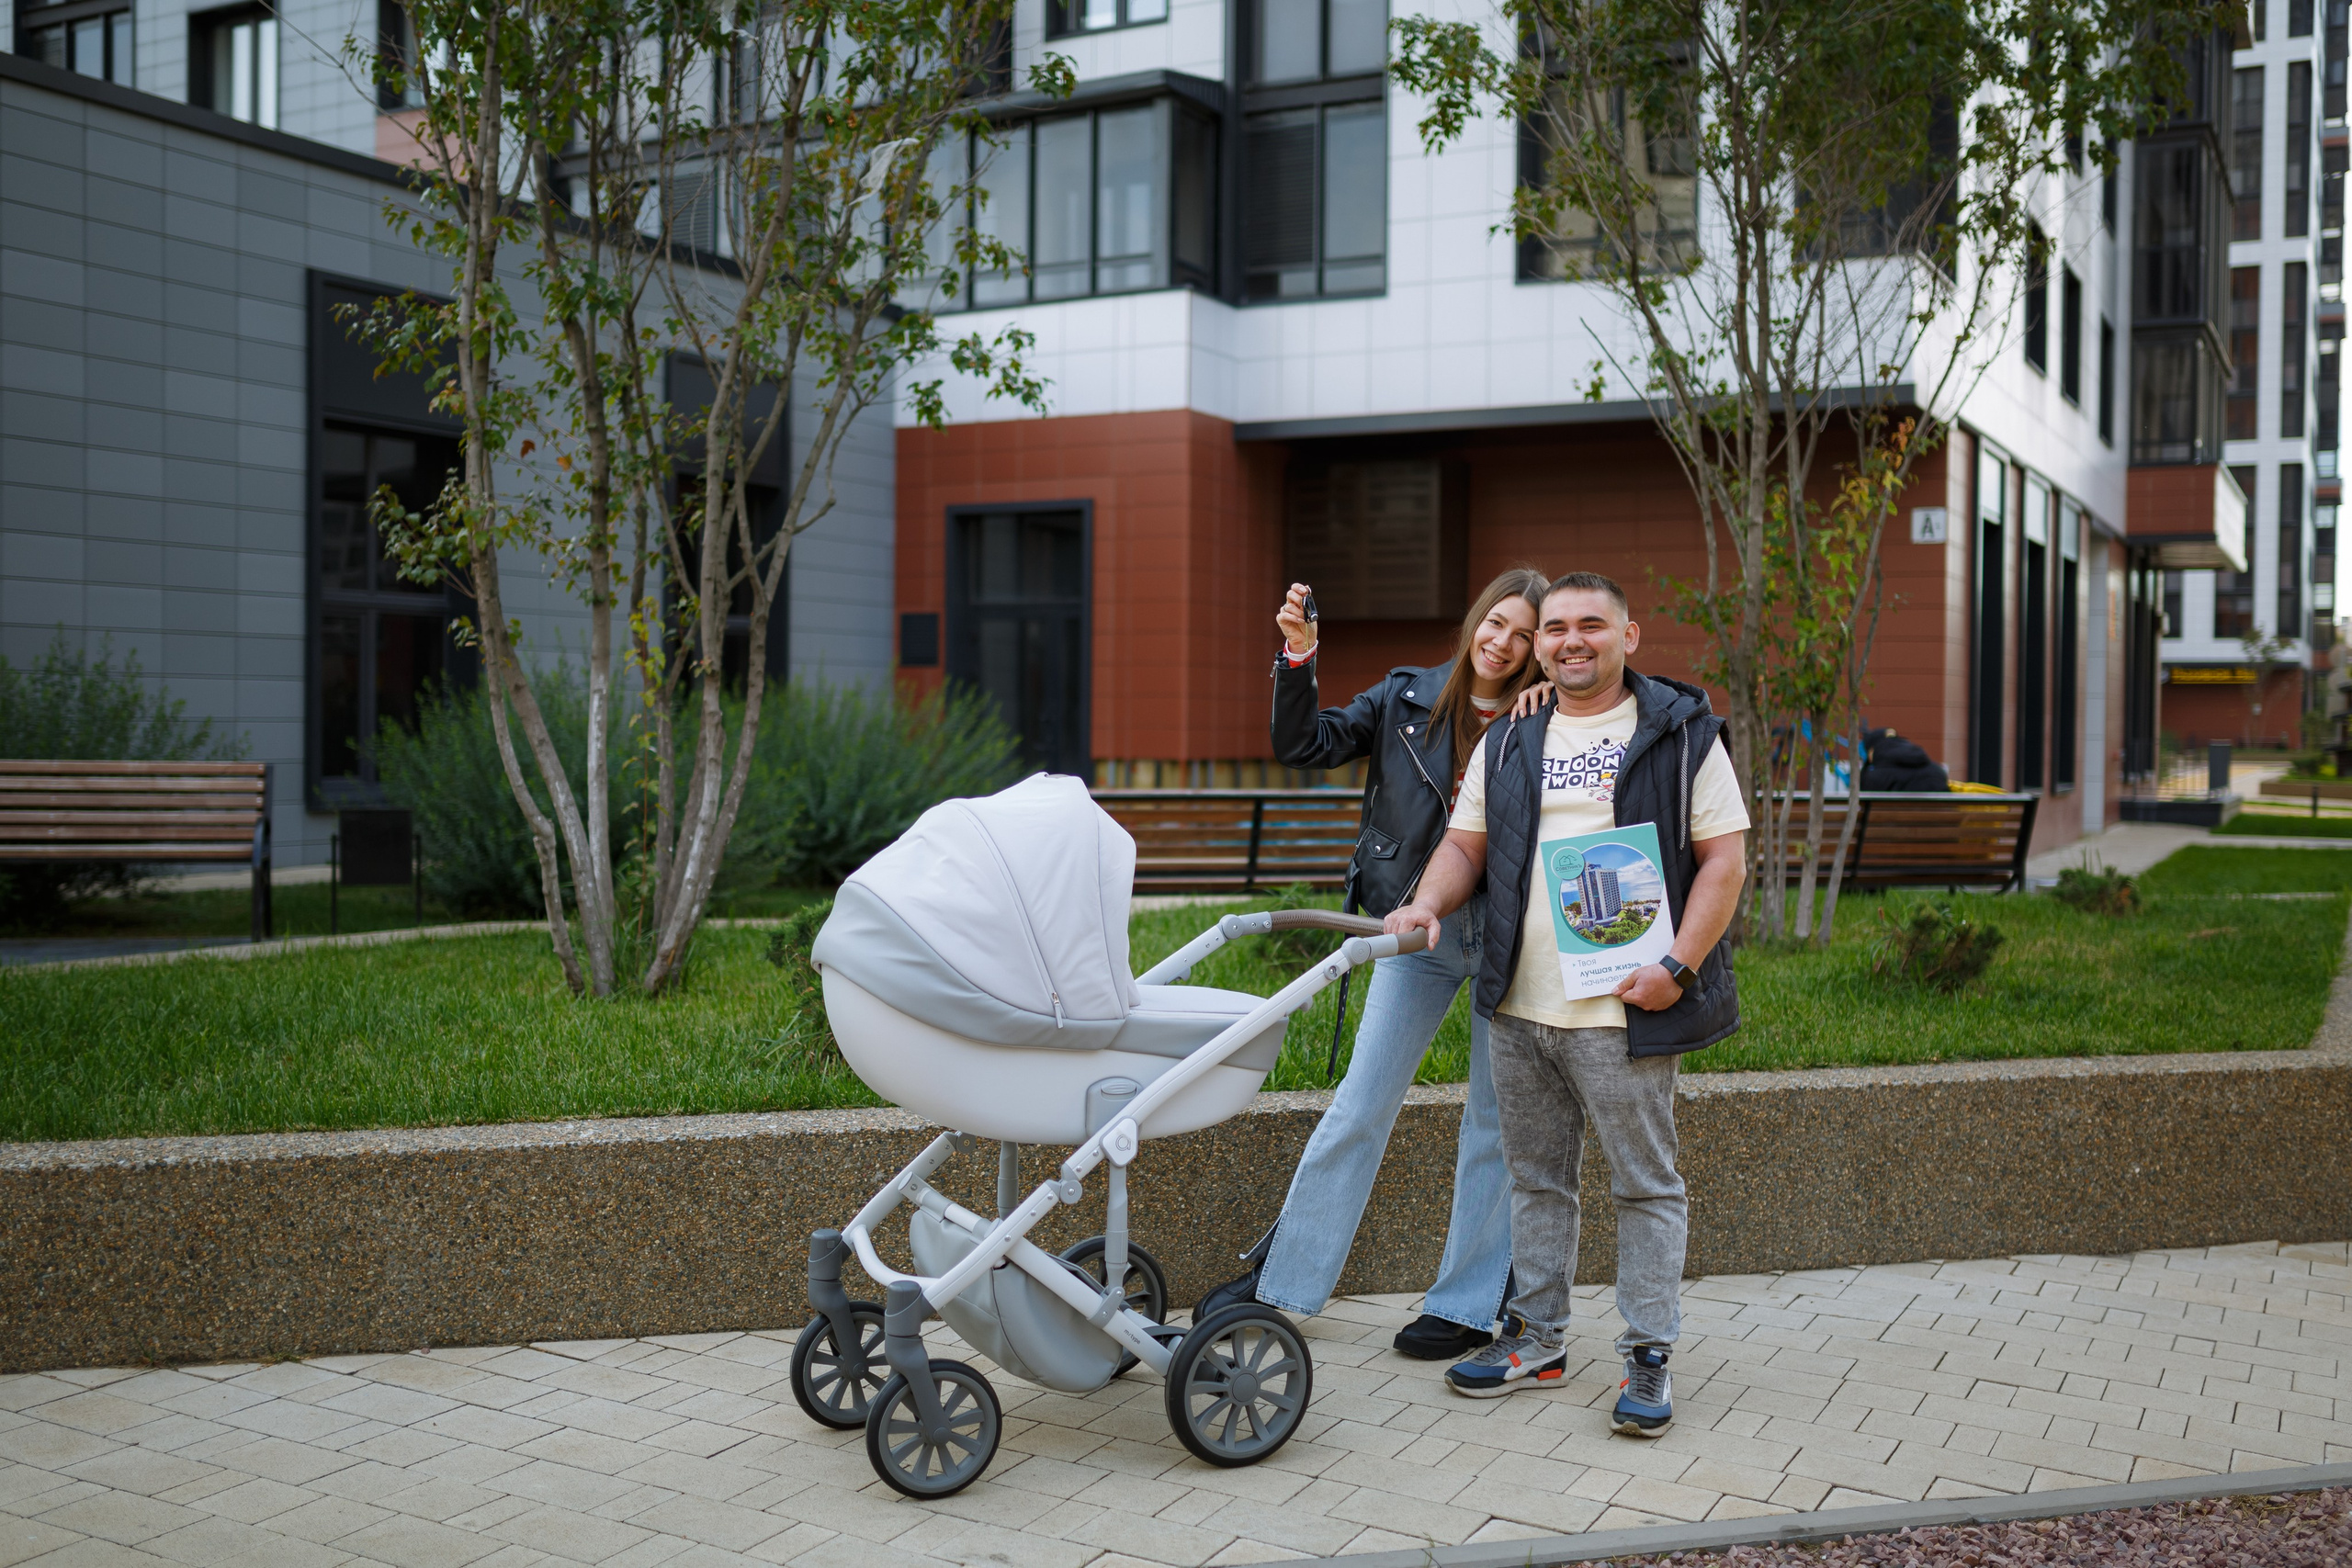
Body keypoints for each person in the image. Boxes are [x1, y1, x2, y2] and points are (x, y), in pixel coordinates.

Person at [1385, 570, 1748, 1436]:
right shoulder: (1512, 738)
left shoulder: (1682, 732)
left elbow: (1725, 862)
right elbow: (1464, 844)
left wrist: (1677, 966)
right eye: (1556, 628)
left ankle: (1649, 1355)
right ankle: (1538, 1337)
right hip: (1521, 1004)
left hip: (1630, 1007)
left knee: (1645, 1185)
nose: (1571, 639)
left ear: (1631, 636)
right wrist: (1425, 905)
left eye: (1593, 624)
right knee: (1536, 1180)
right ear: (1540, 645)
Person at [1195, 567, 1551, 1361]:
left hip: (1511, 935)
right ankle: (1283, 1284)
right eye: (1497, 623)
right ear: (1474, 621)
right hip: (1412, 930)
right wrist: (1299, 655)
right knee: (1358, 1105)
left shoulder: (1548, 717)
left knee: (1495, 1121)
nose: (1504, 643)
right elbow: (1303, 744)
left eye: (1525, 634)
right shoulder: (1405, 696)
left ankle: (1465, 1304)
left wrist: (1551, 701)